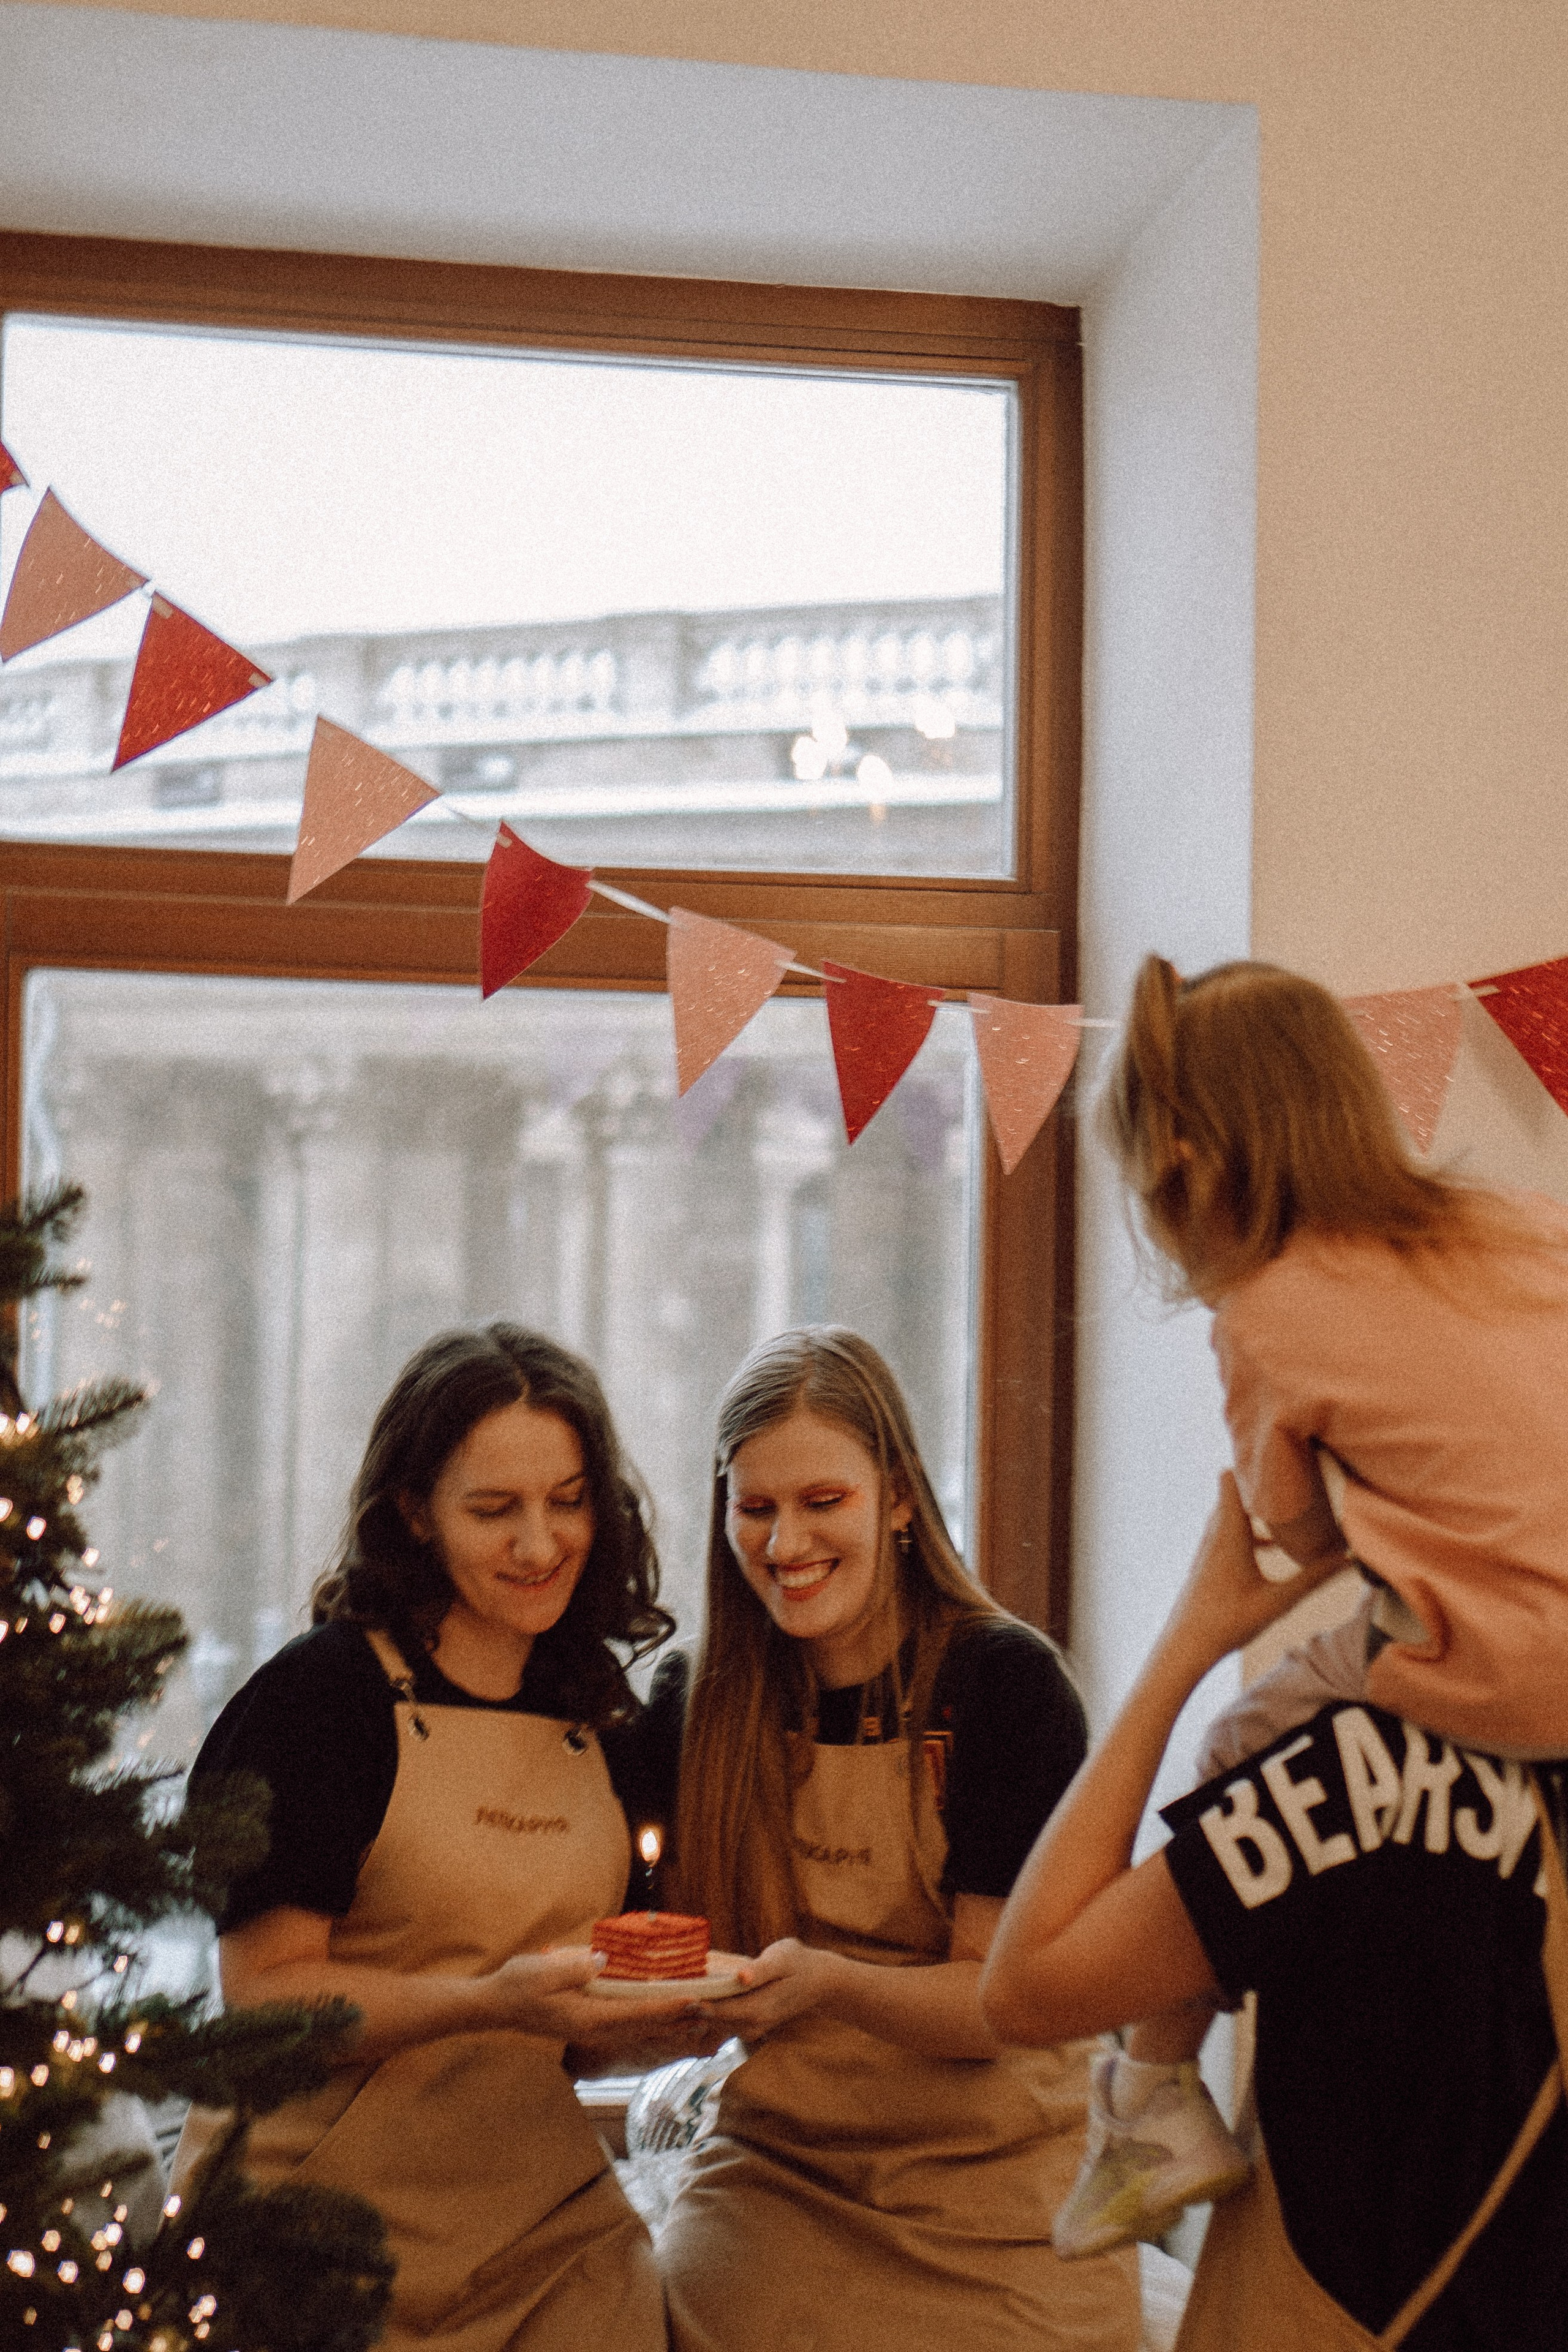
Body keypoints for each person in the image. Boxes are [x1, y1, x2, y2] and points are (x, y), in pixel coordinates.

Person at [1050, 952, 1568, 2261]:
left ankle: (1154, 2102)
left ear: (1188, 1166)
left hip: (1492, 1669)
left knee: (1241, 1744)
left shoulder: (1266, 1315)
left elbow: (1292, 1531)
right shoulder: (1521, 1223)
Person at [172, 1323, 722, 2352]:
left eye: (567, 1502)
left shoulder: (603, 1724)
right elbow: (265, 1995)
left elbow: (590, 2013)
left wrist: (666, 2026)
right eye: (494, 1510)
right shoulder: (322, 1699)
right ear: (414, 1514)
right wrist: (489, 2001)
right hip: (311, 2231)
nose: (539, 1544)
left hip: (542, 2230)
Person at [979, 1474, 1568, 2350]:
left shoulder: (1354, 1777)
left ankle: (1149, 2094)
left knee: (1237, 1737)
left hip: (1328, 2308)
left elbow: (1029, 1986)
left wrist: (1191, 1638)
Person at [655, 1327, 1142, 2352]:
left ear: (902, 1498)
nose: (785, 1546)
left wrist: (828, 1985)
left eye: (822, 1503)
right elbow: (649, 1963)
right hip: (783, 2173)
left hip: (1008, 2189)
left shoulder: (1006, 1687)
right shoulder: (691, 1701)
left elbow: (998, 2004)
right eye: (756, 1509)